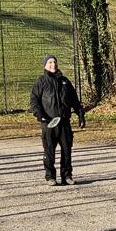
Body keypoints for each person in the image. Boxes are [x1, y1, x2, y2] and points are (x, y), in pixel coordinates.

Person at [29, 55, 85, 185]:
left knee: (66, 150)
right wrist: (40, 115)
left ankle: (67, 176)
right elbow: (34, 101)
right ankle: (50, 177)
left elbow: (74, 100)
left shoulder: (65, 82)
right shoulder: (41, 82)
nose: (53, 64)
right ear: (45, 65)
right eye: (49, 62)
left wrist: (80, 114)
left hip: (64, 122)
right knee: (49, 151)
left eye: (54, 62)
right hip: (48, 123)